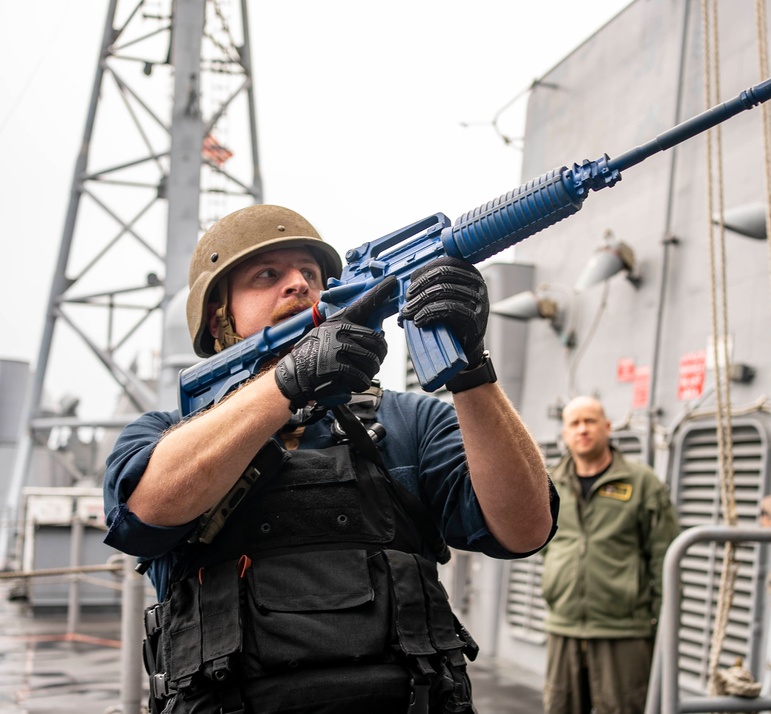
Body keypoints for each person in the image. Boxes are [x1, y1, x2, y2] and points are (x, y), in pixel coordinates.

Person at [102, 204, 558, 714]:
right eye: (268, 275)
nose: (299, 285)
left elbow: (526, 530)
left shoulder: (412, 422)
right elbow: (147, 510)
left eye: (311, 274)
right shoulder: (167, 436)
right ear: (218, 317)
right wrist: (287, 383)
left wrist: (472, 372)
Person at [541, 395, 680, 714]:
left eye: (590, 421)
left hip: (624, 631)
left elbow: (665, 560)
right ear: (564, 433)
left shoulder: (642, 483)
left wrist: (661, 630)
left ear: (607, 428)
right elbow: (543, 546)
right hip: (564, 625)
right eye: (574, 423)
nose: (583, 429)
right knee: (558, 706)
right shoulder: (549, 482)